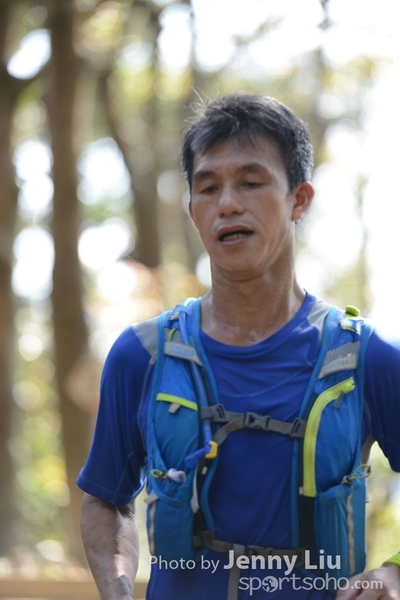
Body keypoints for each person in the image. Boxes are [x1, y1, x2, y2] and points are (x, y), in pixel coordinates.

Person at [77, 92, 400, 600]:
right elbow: (106, 500)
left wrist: (394, 572)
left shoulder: (367, 358)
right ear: (193, 211)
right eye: (209, 188)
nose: (227, 203)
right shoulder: (142, 356)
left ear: (299, 199)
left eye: (251, 182)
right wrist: (117, 589)